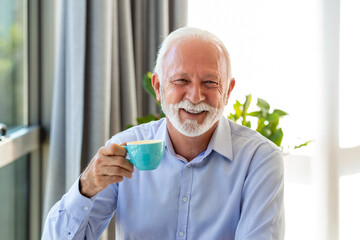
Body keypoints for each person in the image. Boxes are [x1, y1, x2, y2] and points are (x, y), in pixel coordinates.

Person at [42, 27, 284, 240]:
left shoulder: (259, 160)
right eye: (181, 80)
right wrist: (86, 188)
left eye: (210, 83)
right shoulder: (125, 148)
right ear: (158, 87)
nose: (195, 96)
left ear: (228, 90)